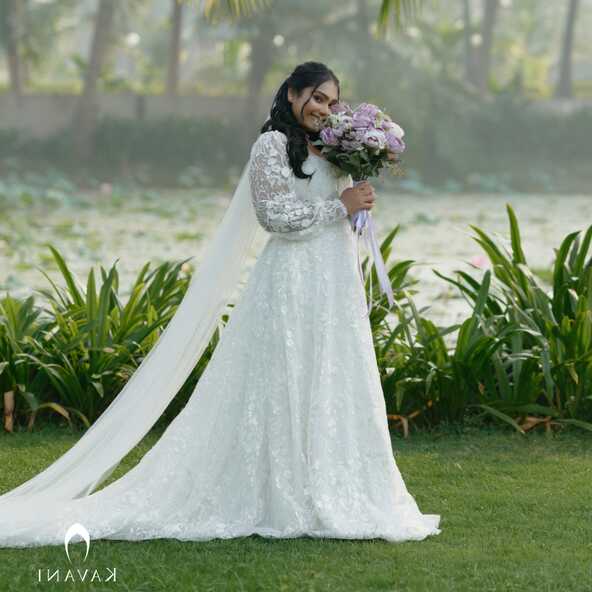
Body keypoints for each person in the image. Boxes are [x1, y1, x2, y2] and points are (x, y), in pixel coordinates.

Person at [0, 62, 440, 548]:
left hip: (333, 279)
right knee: (282, 378)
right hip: (291, 277)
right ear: (292, 95)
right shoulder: (272, 144)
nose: (324, 109)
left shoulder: (336, 146)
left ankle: (333, 487)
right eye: (316, 97)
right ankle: (274, 492)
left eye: (333, 102)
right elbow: (275, 217)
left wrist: (358, 197)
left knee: (332, 374)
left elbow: (340, 207)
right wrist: (343, 205)